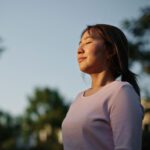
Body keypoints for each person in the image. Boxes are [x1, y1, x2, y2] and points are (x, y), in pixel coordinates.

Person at [61, 24, 144, 150]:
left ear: (110, 51)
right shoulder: (78, 98)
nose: (79, 50)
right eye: (80, 44)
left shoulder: (121, 91)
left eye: (88, 42)